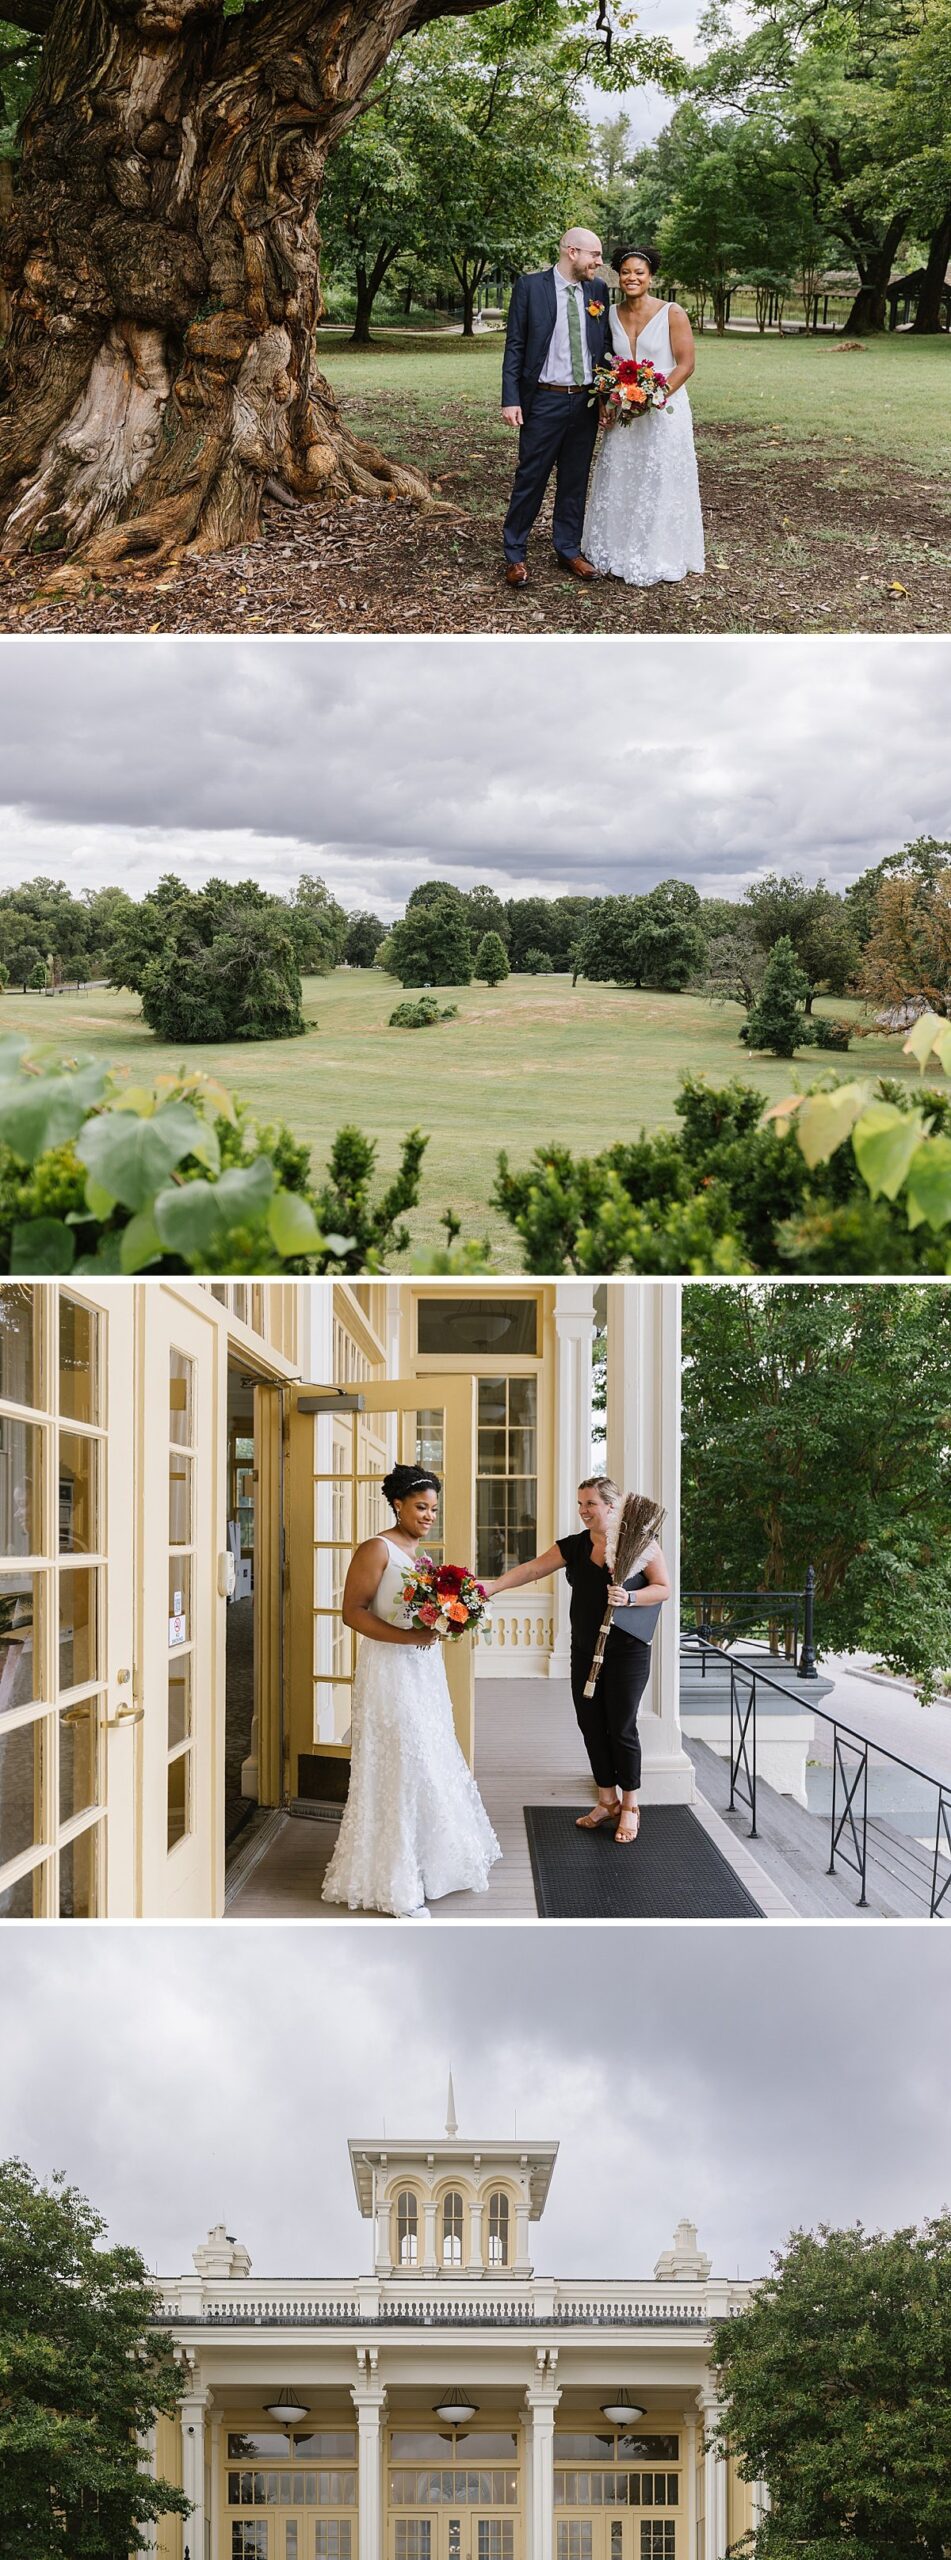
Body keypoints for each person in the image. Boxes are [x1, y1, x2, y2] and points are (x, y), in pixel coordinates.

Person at [321, 1464, 501, 1918]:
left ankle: (430, 1867)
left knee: (431, 1756)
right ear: (397, 1504)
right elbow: (352, 1612)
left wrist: (447, 1619)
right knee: (399, 1761)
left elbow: (421, 1612)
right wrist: (410, 1639)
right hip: (389, 1670)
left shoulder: (419, 1553)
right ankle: (398, 1883)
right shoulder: (376, 1548)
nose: (428, 1516)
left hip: (425, 1671)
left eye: (434, 1509)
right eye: (421, 1507)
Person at [483, 1475, 670, 1844]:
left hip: (627, 1649)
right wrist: (493, 1586)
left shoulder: (641, 1545)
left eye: (591, 1504)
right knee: (590, 1724)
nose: (583, 1511)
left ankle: (631, 1805)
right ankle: (606, 1801)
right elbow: (534, 1568)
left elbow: (663, 1588)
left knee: (621, 1726)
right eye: (580, 1503)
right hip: (585, 1649)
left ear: (612, 1507)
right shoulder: (574, 1545)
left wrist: (629, 1599)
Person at [582, 246, 704, 587]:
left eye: (639, 272)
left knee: (659, 479)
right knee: (622, 474)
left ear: (651, 277)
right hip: (624, 410)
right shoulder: (609, 313)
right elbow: (608, 363)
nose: (632, 278)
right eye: (625, 272)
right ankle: (616, 549)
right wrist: (610, 398)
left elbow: (686, 364)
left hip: (664, 410)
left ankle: (658, 552)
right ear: (618, 276)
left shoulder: (672, 312)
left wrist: (653, 398)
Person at [500, 227, 611, 588]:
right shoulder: (531, 287)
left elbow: (603, 346)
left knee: (575, 480)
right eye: (594, 255)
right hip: (543, 399)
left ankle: (568, 549)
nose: (599, 262)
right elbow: (515, 345)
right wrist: (511, 398)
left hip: (584, 401)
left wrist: (607, 395)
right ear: (571, 251)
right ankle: (515, 554)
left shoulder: (597, 291)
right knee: (531, 477)